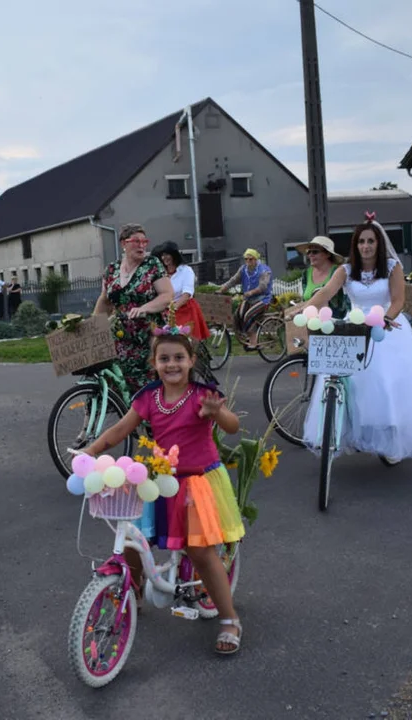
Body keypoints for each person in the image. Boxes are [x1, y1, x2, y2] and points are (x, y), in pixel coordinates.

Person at [83, 329, 245, 655]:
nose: (172, 364)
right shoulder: (148, 397)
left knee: (200, 552)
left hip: (197, 481)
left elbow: (232, 426)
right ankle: (134, 592)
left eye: (179, 358)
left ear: (192, 361)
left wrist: (217, 413)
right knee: (132, 538)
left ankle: (229, 619)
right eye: (164, 359)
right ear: (154, 363)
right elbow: (119, 430)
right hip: (160, 479)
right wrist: (92, 450)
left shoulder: (203, 395)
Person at [302, 214, 412, 462]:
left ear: (378, 244)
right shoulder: (346, 270)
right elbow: (324, 293)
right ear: (355, 245)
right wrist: (298, 309)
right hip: (354, 327)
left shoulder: (391, 267)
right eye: (361, 242)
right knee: (350, 384)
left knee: (386, 384)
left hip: (383, 329)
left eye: (370, 241)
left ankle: (390, 437)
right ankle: (351, 433)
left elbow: (398, 300)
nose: (365, 246)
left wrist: (386, 318)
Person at [92, 223, 175, 393]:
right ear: (123, 243)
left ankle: (146, 417)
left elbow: (167, 295)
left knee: (142, 386)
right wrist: (91, 325)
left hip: (147, 336)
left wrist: (145, 308)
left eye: (144, 241)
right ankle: (95, 418)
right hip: (120, 335)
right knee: (105, 383)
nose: (142, 245)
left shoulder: (152, 265)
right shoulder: (111, 270)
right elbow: (105, 301)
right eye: (136, 241)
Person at [216, 249, 273, 351]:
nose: (248, 261)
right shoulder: (243, 269)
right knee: (238, 314)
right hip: (248, 298)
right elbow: (233, 280)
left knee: (248, 315)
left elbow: (263, 286)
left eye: (251, 259)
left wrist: (251, 292)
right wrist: (222, 289)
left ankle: (254, 343)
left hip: (263, 299)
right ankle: (245, 336)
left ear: (256, 259)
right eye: (246, 259)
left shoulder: (264, 270)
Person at [153, 241, 209, 341]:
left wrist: (173, 309)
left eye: (167, 254)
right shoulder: (161, 273)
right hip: (166, 311)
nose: (164, 258)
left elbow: (187, 294)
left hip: (184, 309)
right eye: (162, 255)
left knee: (183, 339)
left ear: (174, 255)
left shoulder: (186, 271)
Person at [293, 236, 350, 316]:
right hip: (311, 323)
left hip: (335, 324)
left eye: (315, 252)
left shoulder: (338, 272)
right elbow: (306, 300)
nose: (310, 255)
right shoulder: (306, 274)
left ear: (327, 254)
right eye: (309, 252)